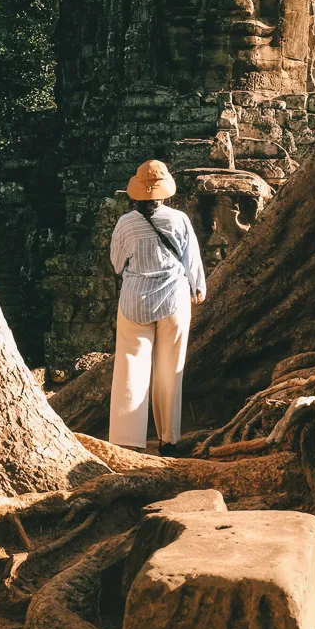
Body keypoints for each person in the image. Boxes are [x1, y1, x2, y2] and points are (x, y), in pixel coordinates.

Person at [108, 159, 206, 454]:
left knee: (130, 367)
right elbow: (192, 260)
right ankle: (168, 439)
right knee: (169, 370)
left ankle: (127, 441)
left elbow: (116, 265)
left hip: (134, 301)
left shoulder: (125, 223)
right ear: (164, 192)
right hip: (174, 300)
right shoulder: (179, 220)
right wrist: (199, 288)